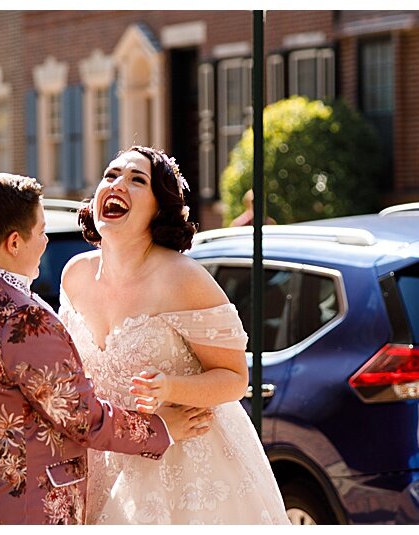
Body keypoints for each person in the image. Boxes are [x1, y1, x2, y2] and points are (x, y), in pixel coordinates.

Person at [0, 173, 213, 525]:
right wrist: (161, 427)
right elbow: (84, 420)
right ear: (14, 243)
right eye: (42, 231)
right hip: (20, 509)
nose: (45, 241)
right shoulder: (23, 319)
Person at [61, 146, 288, 524]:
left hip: (185, 465)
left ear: (158, 208)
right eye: (111, 175)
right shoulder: (75, 275)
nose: (117, 184)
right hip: (103, 457)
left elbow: (235, 379)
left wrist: (170, 389)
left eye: (137, 180)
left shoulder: (183, 278)